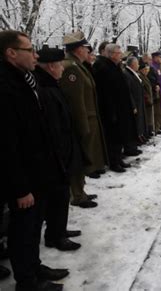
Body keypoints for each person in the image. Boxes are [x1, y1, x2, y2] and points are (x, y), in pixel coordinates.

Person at [0, 30, 68, 291]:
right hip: (24, 179)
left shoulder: (25, 79)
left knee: (32, 228)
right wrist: (20, 188)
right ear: (11, 52)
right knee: (23, 230)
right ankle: (27, 282)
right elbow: (7, 144)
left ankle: (34, 267)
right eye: (30, 50)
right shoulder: (6, 87)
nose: (36, 55)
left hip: (38, 173)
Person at [34, 46, 82, 251]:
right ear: (51, 66)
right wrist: (62, 154)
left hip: (62, 152)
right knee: (57, 196)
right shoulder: (45, 90)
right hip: (56, 155)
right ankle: (55, 235)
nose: (63, 68)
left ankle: (59, 230)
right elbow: (53, 127)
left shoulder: (51, 85)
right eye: (60, 64)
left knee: (61, 196)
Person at [59, 31, 105, 208]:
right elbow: (76, 101)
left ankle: (81, 191)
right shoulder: (71, 67)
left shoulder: (78, 65)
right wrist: (82, 126)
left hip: (88, 119)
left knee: (85, 157)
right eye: (86, 48)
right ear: (78, 49)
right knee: (79, 159)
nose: (89, 52)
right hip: (82, 121)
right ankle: (77, 194)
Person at [93, 44, 137, 172]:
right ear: (111, 54)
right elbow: (105, 92)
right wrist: (111, 111)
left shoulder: (114, 66)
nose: (121, 54)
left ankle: (118, 159)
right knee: (113, 137)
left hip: (120, 107)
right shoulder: (103, 67)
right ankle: (113, 161)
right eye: (118, 53)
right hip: (111, 109)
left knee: (119, 135)